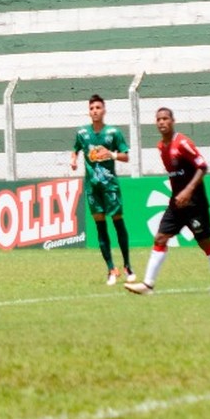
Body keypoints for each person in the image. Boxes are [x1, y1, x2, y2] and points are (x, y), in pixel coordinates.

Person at [125, 109, 210, 296]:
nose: (161, 122)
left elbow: (202, 166)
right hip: (176, 204)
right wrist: (179, 195)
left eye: (165, 118)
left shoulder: (182, 143)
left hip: (195, 203)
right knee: (160, 238)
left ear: (173, 121)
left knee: (204, 242)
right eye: (158, 119)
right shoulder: (161, 147)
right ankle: (147, 286)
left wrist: (188, 191)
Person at [69, 95, 135, 285]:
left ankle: (128, 265)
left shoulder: (113, 133)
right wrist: (73, 159)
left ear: (104, 110)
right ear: (89, 111)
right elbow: (75, 149)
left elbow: (126, 156)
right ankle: (111, 269)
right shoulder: (82, 133)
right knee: (100, 226)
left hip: (110, 186)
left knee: (117, 222)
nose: (95, 111)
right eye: (92, 108)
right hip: (92, 187)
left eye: (98, 107)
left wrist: (111, 154)